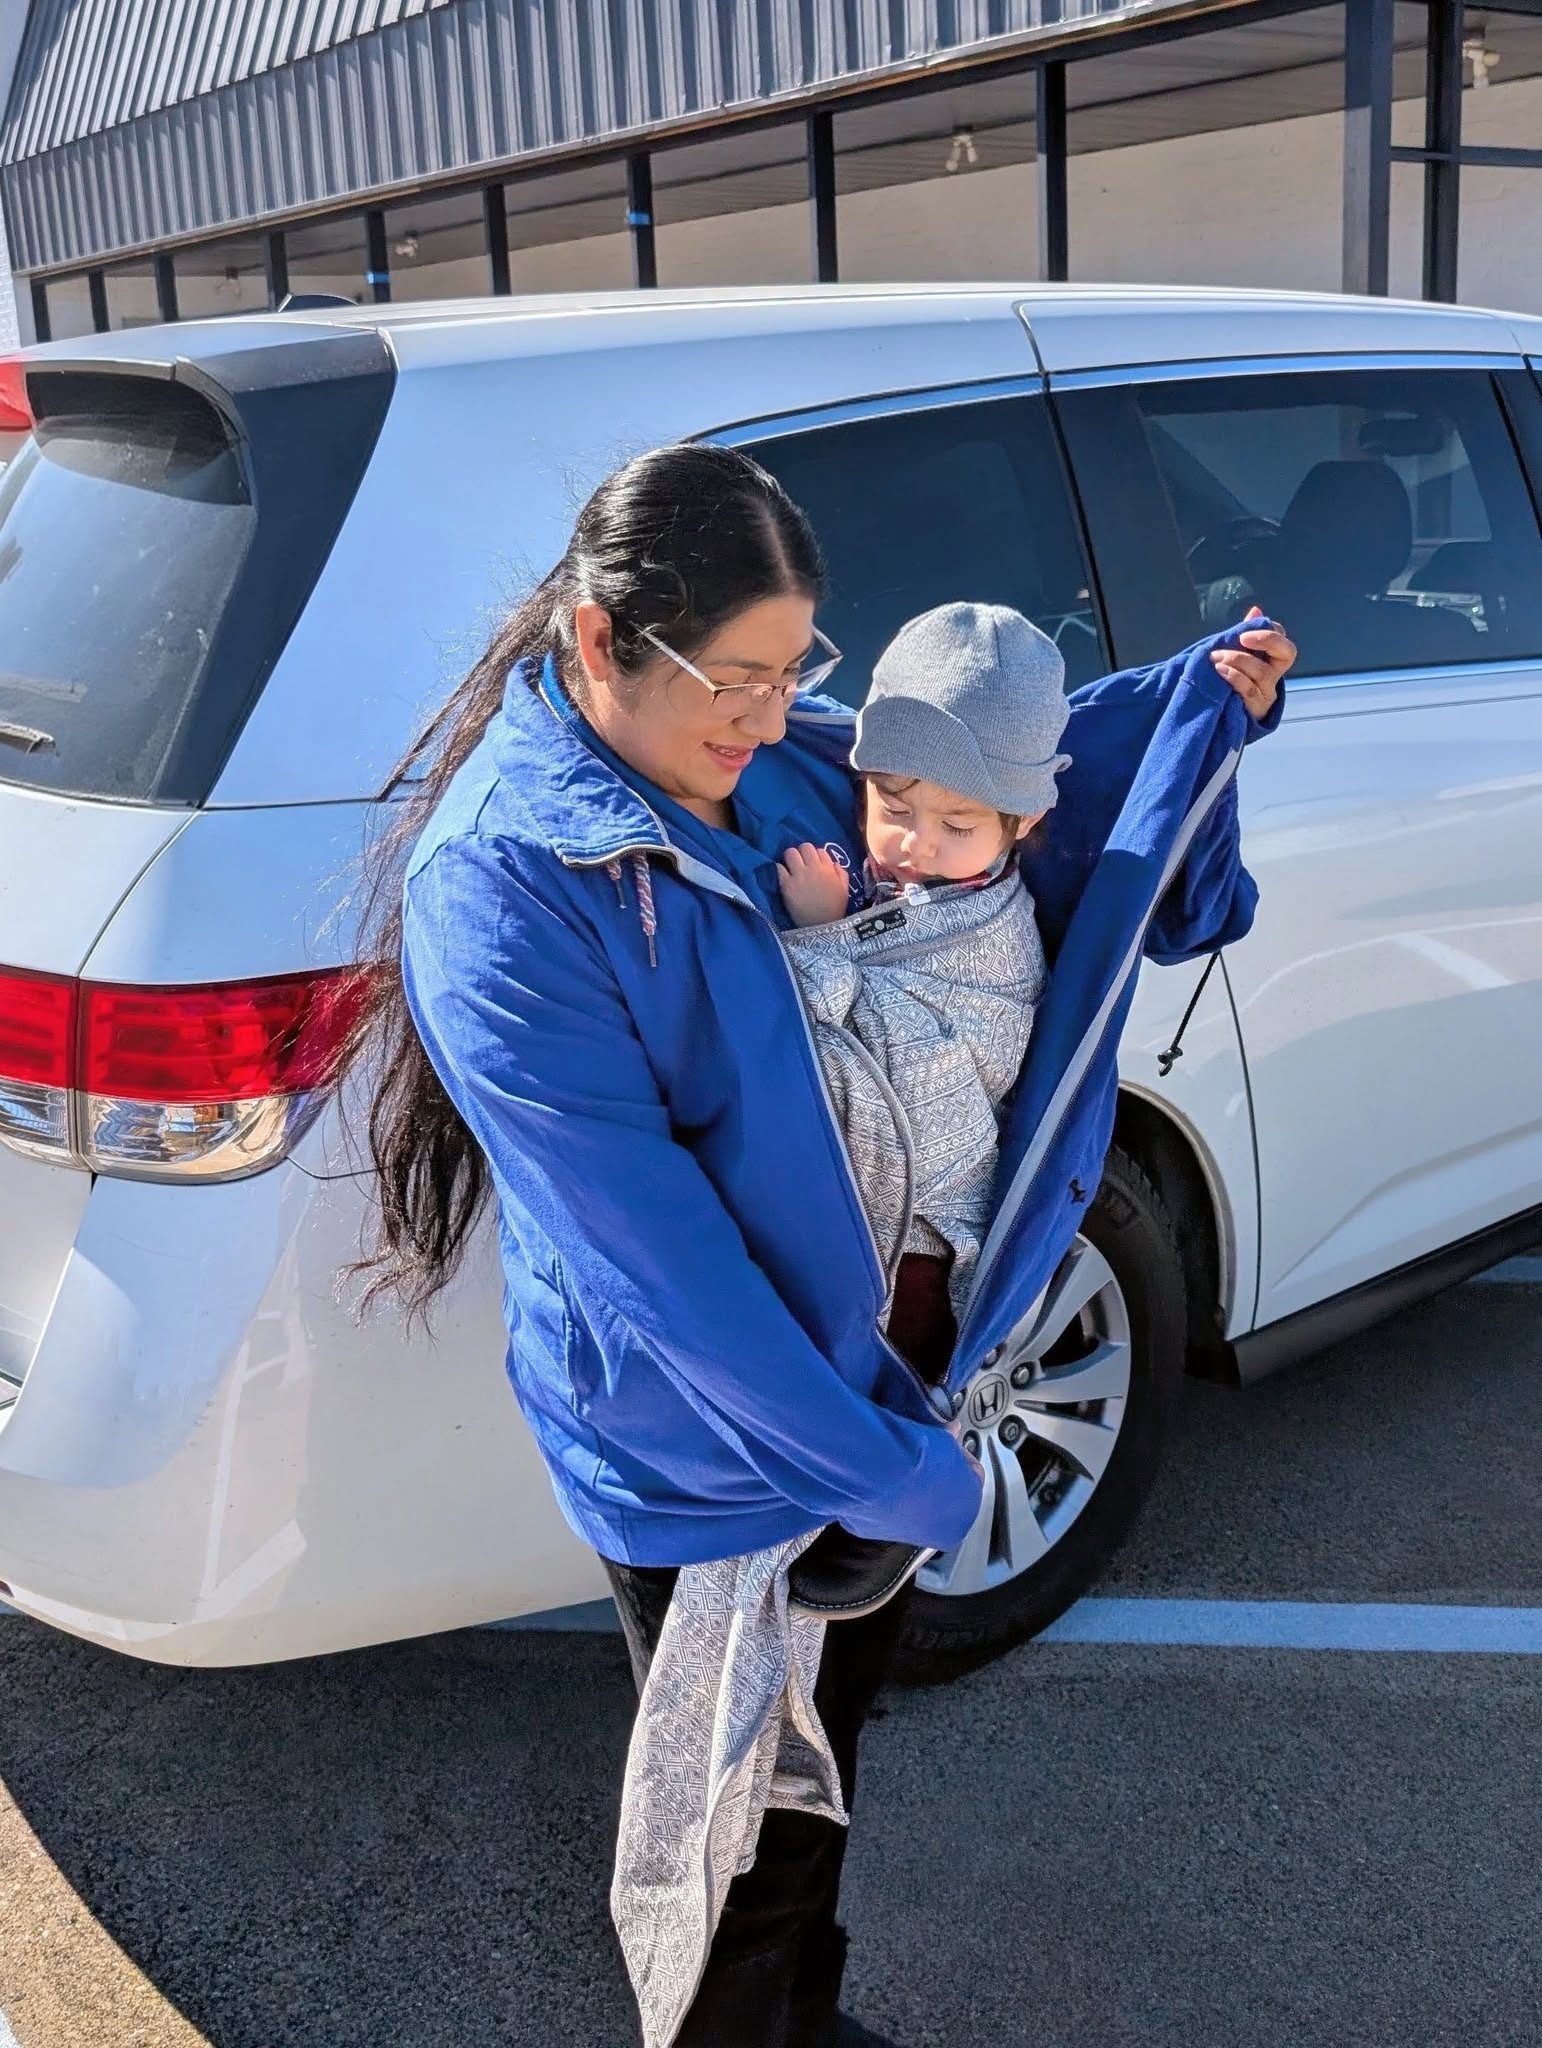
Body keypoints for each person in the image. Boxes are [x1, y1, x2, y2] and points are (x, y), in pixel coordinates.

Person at [349, 442, 1292, 2048]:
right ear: (599, 644)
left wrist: (1210, 698)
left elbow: (995, 771)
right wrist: (892, 1475)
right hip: (723, 1443)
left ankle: (805, 2015)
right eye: (743, 676)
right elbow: (658, 1267)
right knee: (731, 1836)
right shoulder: (509, 884)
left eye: (798, 670)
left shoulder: (757, 765)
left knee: (818, 1782)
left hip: (874, 1394)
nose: (780, 719)